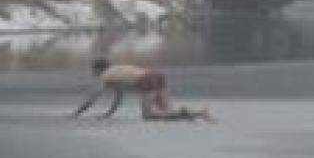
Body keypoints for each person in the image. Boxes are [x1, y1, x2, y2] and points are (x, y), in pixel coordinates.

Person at [71, 57, 214, 122]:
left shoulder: (105, 75)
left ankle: (197, 112)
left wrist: (76, 114)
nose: (93, 74)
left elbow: (92, 98)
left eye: (93, 71)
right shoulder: (117, 71)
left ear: (98, 69)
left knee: (148, 116)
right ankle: (196, 114)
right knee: (167, 112)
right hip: (157, 75)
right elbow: (118, 98)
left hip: (146, 80)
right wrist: (108, 114)